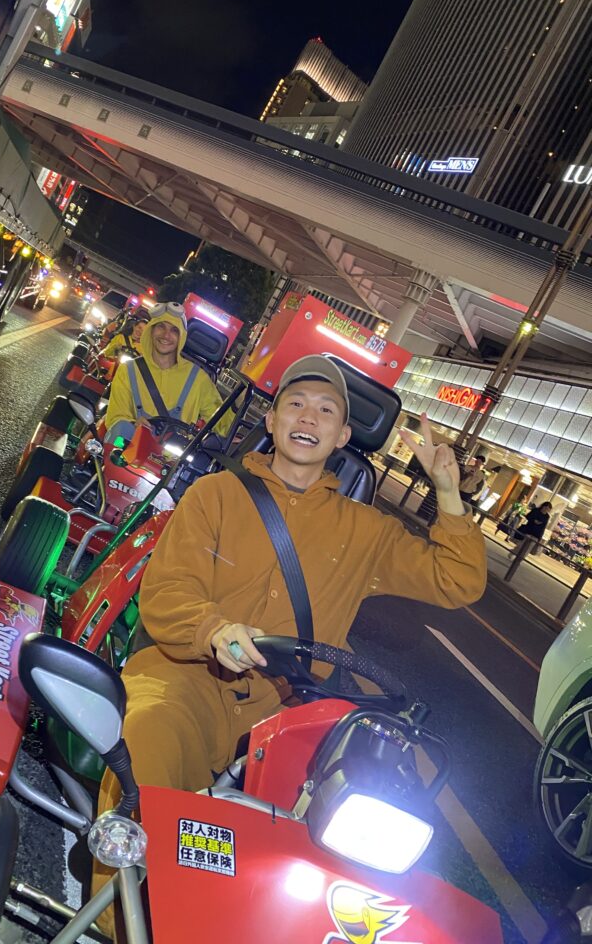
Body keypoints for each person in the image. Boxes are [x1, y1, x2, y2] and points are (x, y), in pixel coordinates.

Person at [92, 354, 487, 936]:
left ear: (343, 437)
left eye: (327, 410)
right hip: (189, 679)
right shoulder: (217, 494)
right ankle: (118, 923)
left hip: (289, 709)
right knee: (147, 741)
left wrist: (448, 492)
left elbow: (459, 580)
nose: (310, 417)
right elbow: (169, 590)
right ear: (273, 421)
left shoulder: (366, 530)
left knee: (355, 827)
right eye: (296, 404)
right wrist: (214, 630)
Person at [103, 301, 234, 442]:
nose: (166, 335)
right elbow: (115, 416)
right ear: (151, 330)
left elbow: (222, 421)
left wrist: (248, 435)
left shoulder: (198, 379)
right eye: (161, 326)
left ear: (181, 337)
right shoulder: (128, 370)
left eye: (174, 330)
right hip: (128, 449)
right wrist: (132, 423)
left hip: (172, 461)